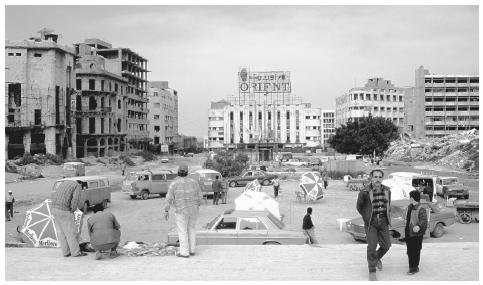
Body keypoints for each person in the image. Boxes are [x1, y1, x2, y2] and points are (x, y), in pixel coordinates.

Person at [356, 169, 392, 281]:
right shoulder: (364, 192)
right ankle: (372, 270)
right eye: (375, 177)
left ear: (382, 178)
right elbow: (359, 207)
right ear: (371, 177)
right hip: (371, 223)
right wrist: (366, 217)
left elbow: (388, 205)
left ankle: (376, 258)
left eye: (380, 177)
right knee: (372, 246)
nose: (377, 179)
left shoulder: (387, 190)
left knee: (387, 245)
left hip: (383, 221)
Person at [164, 164, 203, 258]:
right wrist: (197, 205)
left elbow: (169, 198)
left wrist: (166, 210)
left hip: (181, 211)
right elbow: (200, 196)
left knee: (182, 231)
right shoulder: (194, 182)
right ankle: (192, 250)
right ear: (187, 172)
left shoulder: (174, 183)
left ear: (178, 172)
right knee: (192, 229)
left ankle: (184, 252)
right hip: (193, 210)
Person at [51, 180, 87, 257]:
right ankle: (75, 253)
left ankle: (66, 252)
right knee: (71, 232)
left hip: (54, 209)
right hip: (64, 210)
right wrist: (73, 210)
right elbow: (75, 199)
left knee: (62, 232)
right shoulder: (77, 186)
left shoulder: (64, 183)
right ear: (82, 185)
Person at [404, 190, 428, 275]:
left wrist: (418, 226)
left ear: (412, 198)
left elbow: (423, 220)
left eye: (410, 197)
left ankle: (413, 268)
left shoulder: (420, 208)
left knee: (415, 251)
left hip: (416, 234)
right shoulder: (410, 206)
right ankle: (413, 266)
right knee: (410, 251)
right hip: (409, 232)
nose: (409, 198)